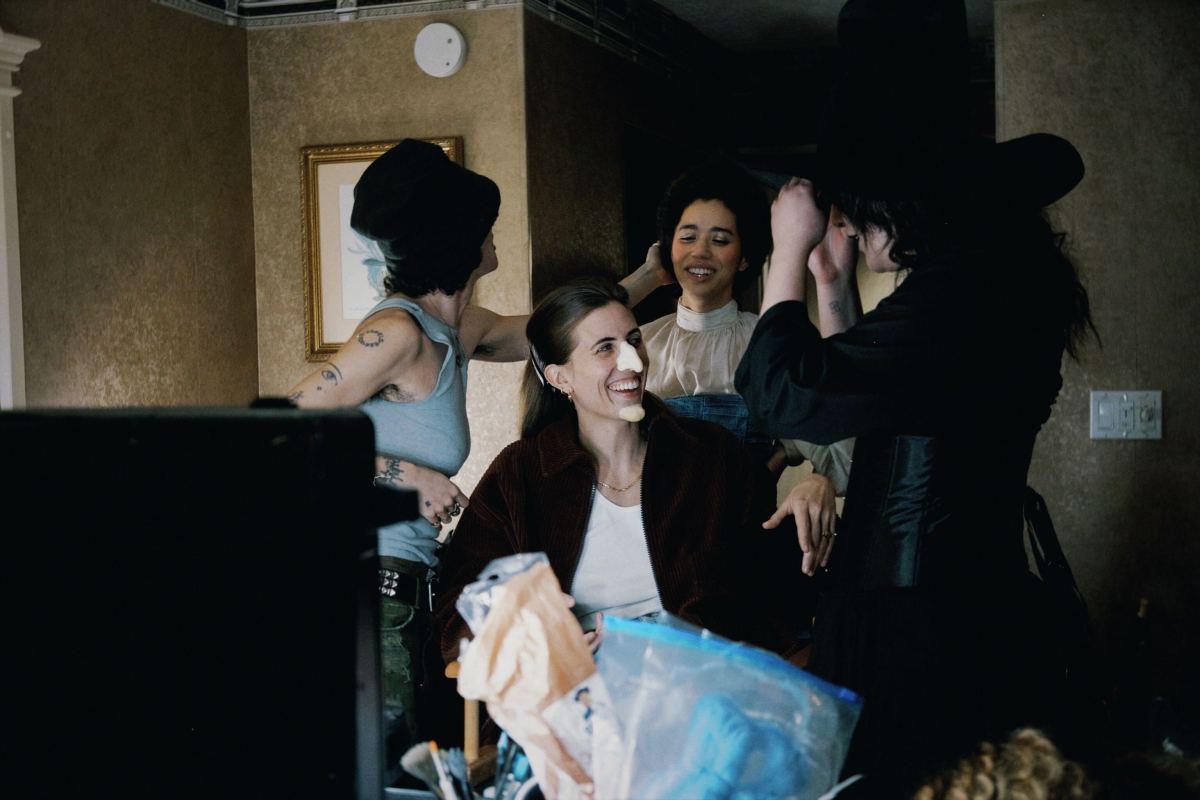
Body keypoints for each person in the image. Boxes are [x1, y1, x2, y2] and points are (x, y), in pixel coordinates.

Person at [734, 1, 1097, 794]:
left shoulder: (963, 292)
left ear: (905, 205)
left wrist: (788, 254)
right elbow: (877, 397)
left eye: (863, 219)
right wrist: (831, 284)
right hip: (944, 594)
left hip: (918, 622)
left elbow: (784, 396)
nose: (858, 235)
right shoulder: (987, 281)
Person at [287, 140, 670, 762]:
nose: (495, 232)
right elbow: (283, 428)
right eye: (484, 223)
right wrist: (405, 472)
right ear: (459, 237)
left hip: (409, 588)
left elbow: (554, 331)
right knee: (395, 777)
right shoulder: (398, 334)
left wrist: (648, 278)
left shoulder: (457, 328)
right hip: (368, 589)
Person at [433, 277, 804, 665]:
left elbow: (769, 586)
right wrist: (524, 630)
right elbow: (457, 614)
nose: (631, 362)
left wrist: (815, 485)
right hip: (572, 695)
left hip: (699, 684)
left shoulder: (711, 455)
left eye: (634, 341)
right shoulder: (520, 474)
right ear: (560, 378)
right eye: (605, 349)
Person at [641, 160, 855, 570]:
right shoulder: (640, 344)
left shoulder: (772, 344)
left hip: (744, 560)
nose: (700, 252)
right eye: (687, 237)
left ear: (744, 258)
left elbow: (842, 446)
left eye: (720, 239)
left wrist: (817, 476)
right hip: (650, 556)